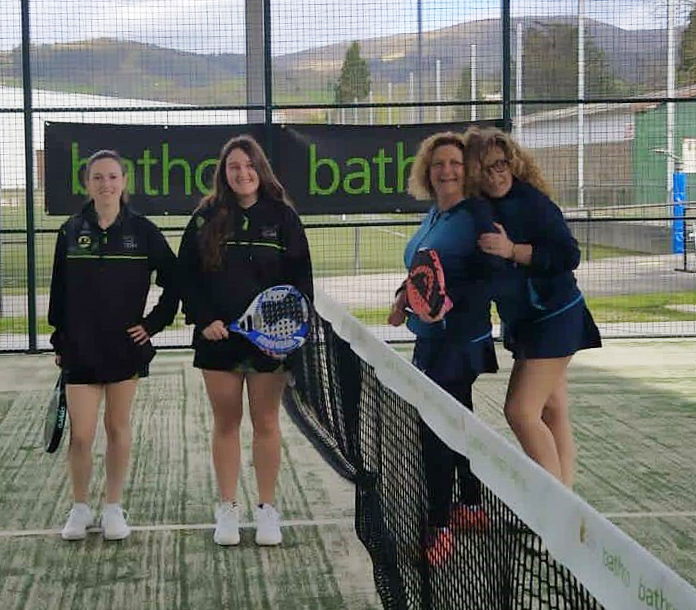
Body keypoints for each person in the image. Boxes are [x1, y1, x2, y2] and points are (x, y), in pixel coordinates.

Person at [178, 134, 313, 547]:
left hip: (269, 345)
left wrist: (284, 337)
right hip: (217, 342)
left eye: (249, 165)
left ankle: (267, 509)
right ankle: (228, 508)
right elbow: (186, 276)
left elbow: (300, 282)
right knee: (226, 422)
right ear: (224, 172)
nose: (242, 173)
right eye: (234, 166)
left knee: (266, 422)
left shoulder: (283, 218)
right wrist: (204, 320)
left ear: (261, 169)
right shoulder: (205, 217)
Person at [48, 149, 179, 541]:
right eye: (97, 177)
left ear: (123, 182)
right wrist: (59, 339)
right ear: (87, 184)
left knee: (117, 427)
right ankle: (80, 508)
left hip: (124, 349)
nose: (105, 184)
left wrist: (152, 324)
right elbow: (59, 291)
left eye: (112, 177)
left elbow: (176, 280)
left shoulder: (144, 231)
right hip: (80, 350)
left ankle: (113, 508)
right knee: (82, 434)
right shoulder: (70, 231)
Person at [464, 126, 601, 487]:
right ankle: (567, 501)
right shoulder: (478, 207)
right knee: (552, 410)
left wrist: (513, 251)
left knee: (520, 411)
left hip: (555, 316)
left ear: (513, 163)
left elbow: (568, 255)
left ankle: (553, 510)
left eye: (501, 164)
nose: (495, 175)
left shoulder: (533, 202)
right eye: (485, 168)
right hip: (525, 322)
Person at [388, 131, 497, 565]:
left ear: (467, 170)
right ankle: (469, 505)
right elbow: (422, 268)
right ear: (427, 172)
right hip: (430, 338)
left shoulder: (477, 215)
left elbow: (491, 275)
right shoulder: (435, 214)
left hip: (460, 340)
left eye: (454, 163)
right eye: (438, 164)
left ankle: (438, 527)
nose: (446, 170)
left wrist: (448, 304)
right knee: (459, 419)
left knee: (435, 428)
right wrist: (403, 297)